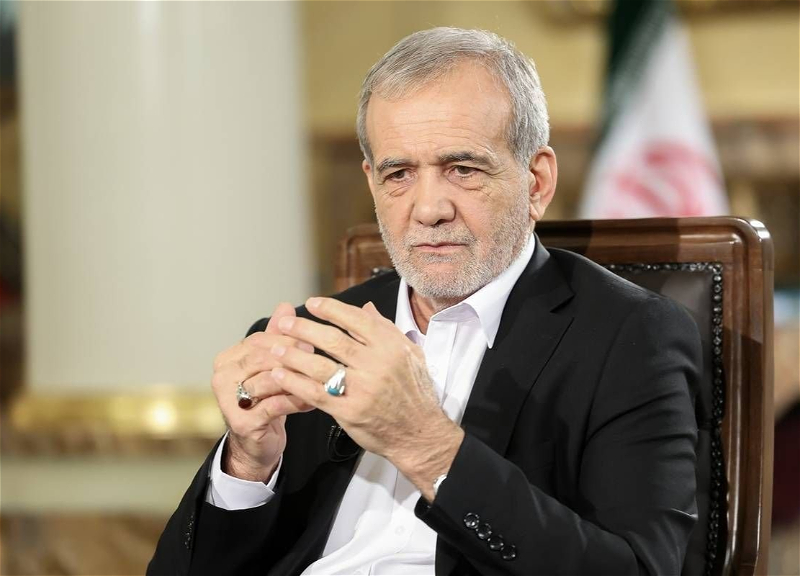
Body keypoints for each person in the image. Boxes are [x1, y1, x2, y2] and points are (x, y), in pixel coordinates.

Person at [149, 27, 700, 575]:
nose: (429, 209)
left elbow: (638, 569)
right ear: (372, 183)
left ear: (536, 182)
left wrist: (425, 445)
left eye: (462, 169)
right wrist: (247, 464)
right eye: (400, 174)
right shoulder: (311, 339)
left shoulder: (630, 338)